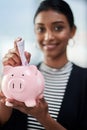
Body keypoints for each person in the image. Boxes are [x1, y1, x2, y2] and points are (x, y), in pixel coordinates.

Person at [0, 0, 87, 130]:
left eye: (58, 28)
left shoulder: (84, 80)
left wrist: (43, 118)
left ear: (72, 31)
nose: (48, 37)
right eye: (41, 29)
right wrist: (7, 82)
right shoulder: (22, 75)